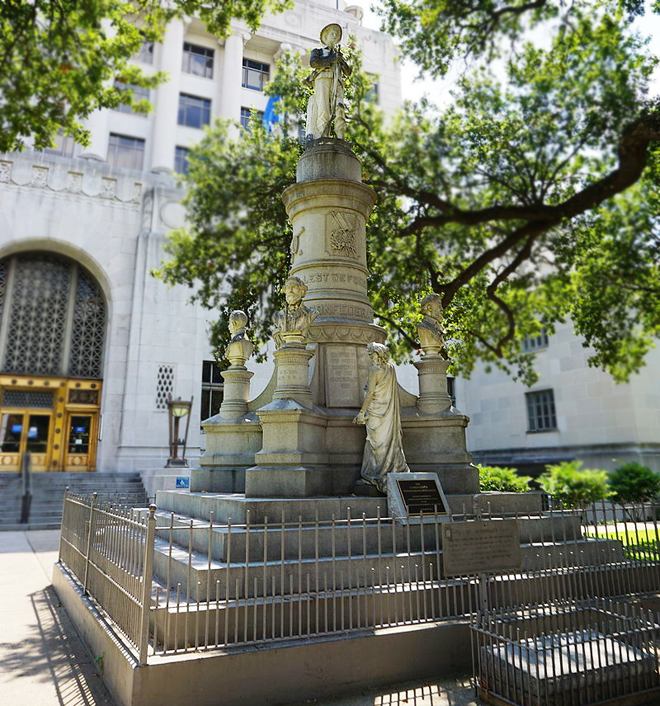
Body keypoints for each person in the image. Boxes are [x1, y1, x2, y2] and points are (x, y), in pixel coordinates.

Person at [354, 342, 410, 492]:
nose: (369, 356)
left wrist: (361, 413)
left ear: (377, 354)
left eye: (371, 353)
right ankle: (389, 470)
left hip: (375, 413)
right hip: (388, 411)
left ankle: (376, 473)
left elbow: (370, 393)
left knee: (376, 444)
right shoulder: (391, 368)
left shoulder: (374, 370)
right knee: (386, 442)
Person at [305, 23, 351, 140]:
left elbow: (348, 72)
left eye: (336, 34)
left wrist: (341, 61)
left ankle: (341, 137)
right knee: (323, 109)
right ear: (325, 36)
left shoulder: (339, 54)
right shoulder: (318, 51)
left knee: (340, 109)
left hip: (337, 81)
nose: (334, 35)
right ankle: (323, 136)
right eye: (332, 33)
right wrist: (332, 59)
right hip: (323, 79)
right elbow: (314, 63)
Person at [272, 276, 318, 348]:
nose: (290, 291)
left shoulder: (310, 314)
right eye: (288, 288)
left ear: (302, 291)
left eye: (294, 287)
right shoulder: (277, 316)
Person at [418, 293, 445, 357]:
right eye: (439, 306)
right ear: (429, 308)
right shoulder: (423, 327)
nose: (441, 309)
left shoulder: (440, 328)